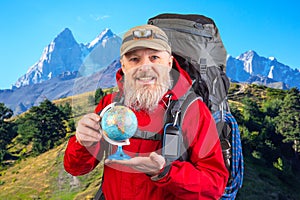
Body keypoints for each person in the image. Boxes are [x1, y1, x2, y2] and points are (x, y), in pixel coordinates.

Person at [64, 24, 229, 200]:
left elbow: (214, 185)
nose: (145, 67)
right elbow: (75, 168)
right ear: (123, 66)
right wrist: (81, 143)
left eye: (154, 57)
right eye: (134, 59)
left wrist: (165, 172)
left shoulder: (193, 111)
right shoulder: (109, 106)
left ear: (169, 63)